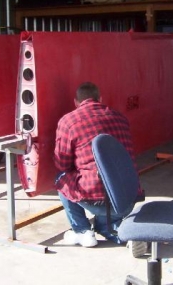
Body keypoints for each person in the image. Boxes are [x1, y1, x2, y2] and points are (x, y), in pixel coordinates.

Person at [54, 81, 142, 247]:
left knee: (61, 177)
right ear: (100, 98)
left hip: (95, 200)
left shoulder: (68, 122)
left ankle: (83, 231)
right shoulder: (120, 118)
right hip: (127, 197)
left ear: (76, 102)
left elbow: (62, 163)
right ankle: (122, 234)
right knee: (109, 211)